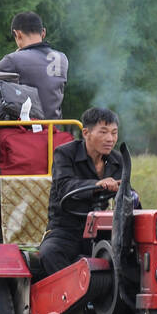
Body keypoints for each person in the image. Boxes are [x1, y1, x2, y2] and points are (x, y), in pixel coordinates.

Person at [37, 107, 127, 277]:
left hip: (100, 230)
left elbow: (125, 193)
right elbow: (64, 186)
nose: (110, 139)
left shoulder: (117, 160)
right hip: (65, 229)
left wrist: (128, 192)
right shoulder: (64, 153)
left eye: (114, 133)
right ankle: (73, 298)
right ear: (86, 133)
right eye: (103, 132)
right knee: (49, 253)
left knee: (128, 256)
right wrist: (97, 184)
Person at [0, 11, 69, 119]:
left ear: (17, 34)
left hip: (28, 131)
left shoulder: (14, 59)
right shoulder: (62, 58)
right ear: (43, 32)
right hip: (54, 129)